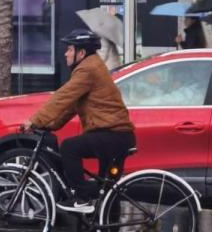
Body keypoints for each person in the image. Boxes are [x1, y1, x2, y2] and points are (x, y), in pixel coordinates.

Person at [22, 29, 136, 214]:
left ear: (81, 53)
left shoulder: (87, 68)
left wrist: (34, 120)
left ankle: (82, 198)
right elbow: (71, 107)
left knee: (69, 147)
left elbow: (62, 97)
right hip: (116, 135)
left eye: (69, 49)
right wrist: (48, 125)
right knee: (106, 192)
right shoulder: (92, 67)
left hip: (113, 135)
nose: (66, 53)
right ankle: (107, 224)